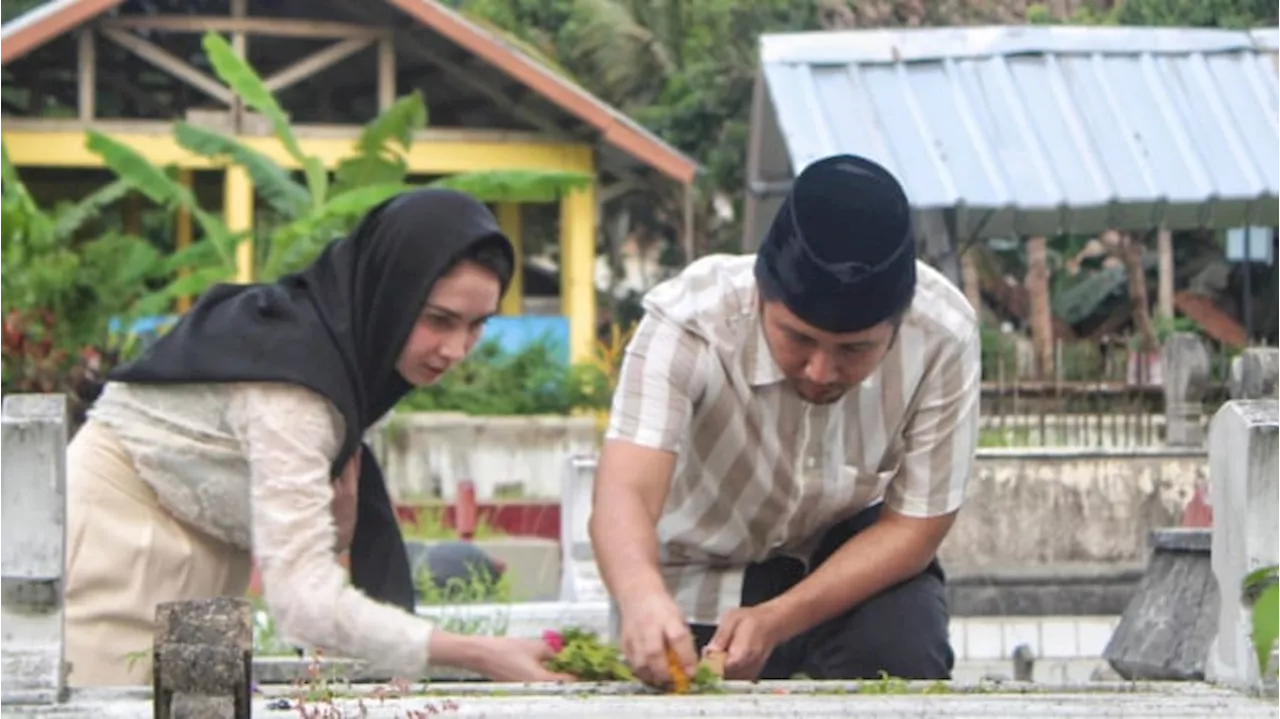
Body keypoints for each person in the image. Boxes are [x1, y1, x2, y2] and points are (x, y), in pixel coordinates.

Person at [63, 188, 574, 687]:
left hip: (214, 559)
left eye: (477, 325)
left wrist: (338, 537)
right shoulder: (294, 385)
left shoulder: (353, 360)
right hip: (121, 541)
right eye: (439, 320)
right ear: (388, 292)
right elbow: (303, 604)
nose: (456, 349)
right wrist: (480, 653)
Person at [588, 154, 980, 686]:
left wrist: (778, 618)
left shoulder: (943, 335)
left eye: (854, 350)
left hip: (844, 565)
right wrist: (640, 596)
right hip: (697, 568)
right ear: (760, 295)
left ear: (897, 325)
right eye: (797, 338)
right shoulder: (690, 322)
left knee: (902, 651)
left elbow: (915, 526)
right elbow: (624, 492)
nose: (821, 370)